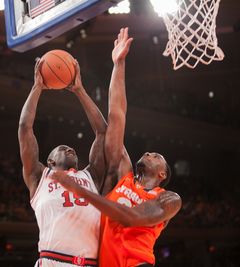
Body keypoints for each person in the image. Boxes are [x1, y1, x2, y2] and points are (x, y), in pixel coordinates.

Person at [50, 27, 182, 267]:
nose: (149, 153)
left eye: (156, 156)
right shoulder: (123, 177)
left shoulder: (168, 200)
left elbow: (131, 218)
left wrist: (79, 190)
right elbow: (117, 114)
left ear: (163, 174)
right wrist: (118, 64)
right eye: (149, 152)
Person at [18, 55, 108, 266]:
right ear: (49, 161)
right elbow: (25, 129)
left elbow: (103, 133)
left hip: (89, 263)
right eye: (62, 148)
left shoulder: (91, 176)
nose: (70, 148)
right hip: (52, 260)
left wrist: (79, 90)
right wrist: (37, 87)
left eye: (71, 148)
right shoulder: (39, 177)